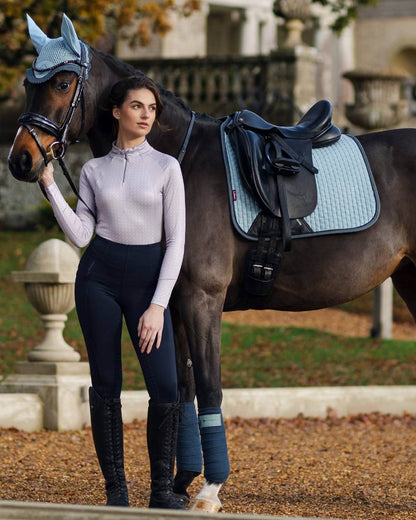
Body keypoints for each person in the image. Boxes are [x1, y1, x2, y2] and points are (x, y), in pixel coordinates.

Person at [40, 75, 186, 510]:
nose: (146, 115)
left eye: (152, 109)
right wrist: (50, 185)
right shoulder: (93, 169)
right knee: (106, 385)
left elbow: (176, 242)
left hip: (148, 283)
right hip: (98, 278)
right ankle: (116, 493)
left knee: (165, 386)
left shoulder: (166, 167)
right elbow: (81, 234)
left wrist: (158, 306)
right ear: (117, 111)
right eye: (138, 106)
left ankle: (161, 490)